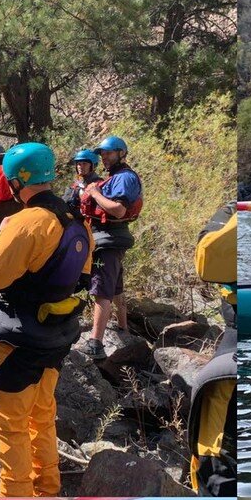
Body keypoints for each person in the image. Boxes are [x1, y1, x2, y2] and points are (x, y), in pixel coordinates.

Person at [0, 141, 93, 497]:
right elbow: (83, 276)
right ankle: (48, 486)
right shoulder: (76, 221)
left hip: (19, 339)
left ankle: (15, 497)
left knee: (11, 424)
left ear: (16, 182)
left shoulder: (25, 222)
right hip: (56, 336)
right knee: (42, 414)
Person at [188, 202, 236, 495]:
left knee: (217, 467)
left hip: (232, 353)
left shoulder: (229, 217)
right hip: (234, 349)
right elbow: (208, 261)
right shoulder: (230, 216)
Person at [81, 135, 143, 360]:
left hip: (109, 239)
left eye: (108, 153)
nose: (104, 157)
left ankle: (95, 343)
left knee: (102, 289)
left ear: (121, 153)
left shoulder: (124, 177)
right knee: (115, 285)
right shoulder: (116, 177)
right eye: (102, 154)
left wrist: (95, 193)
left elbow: (118, 210)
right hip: (109, 238)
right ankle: (123, 327)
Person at [63, 148, 102, 215]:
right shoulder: (76, 185)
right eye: (79, 164)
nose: (80, 167)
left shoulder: (99, 185)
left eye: (84, 164)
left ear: (93, 165)